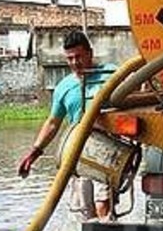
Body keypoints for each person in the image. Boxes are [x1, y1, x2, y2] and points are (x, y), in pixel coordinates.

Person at [16, 31, 117, 220]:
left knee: (103, 203)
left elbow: (133, 97)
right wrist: (34, 152)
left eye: (79, 57)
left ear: (90, 53)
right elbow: (53, 123)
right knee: (84, 212)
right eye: (70, 58)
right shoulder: (64, 87)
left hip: (107, 149)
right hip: (77, 153)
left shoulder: (110, 74)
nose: (74, 63)